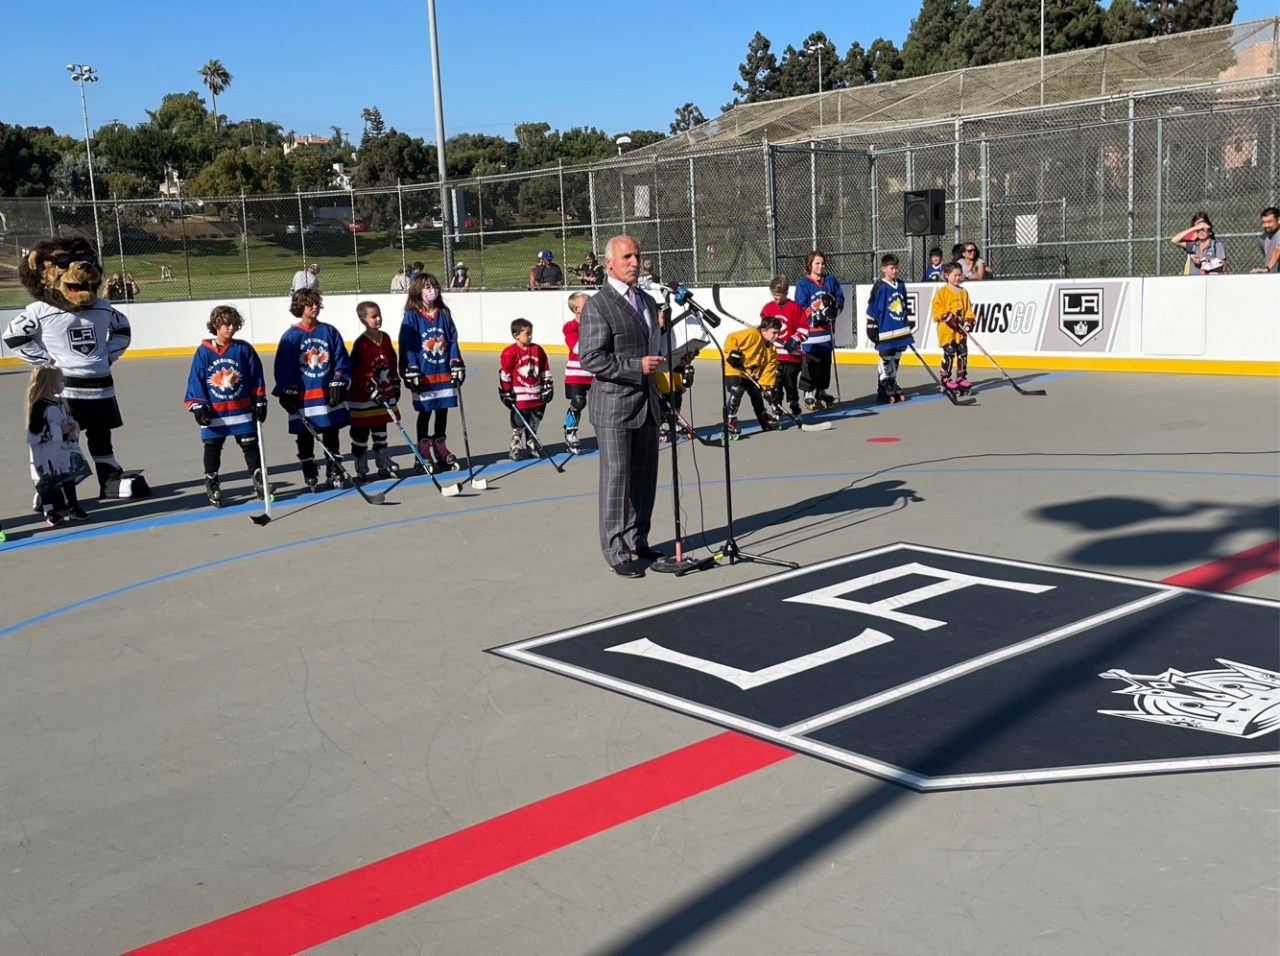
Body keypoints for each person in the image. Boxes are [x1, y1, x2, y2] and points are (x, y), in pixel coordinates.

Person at [4, 236, 146, 499]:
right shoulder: (40, 310)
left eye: (88, 261)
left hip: (102, 386)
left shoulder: (103, 307)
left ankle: (109, 479)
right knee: (64, 438)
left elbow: (122, 329)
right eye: (62, 262)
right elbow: (13, 337)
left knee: (102, 435)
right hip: (65, 388)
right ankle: (53, 485)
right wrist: (47, 362)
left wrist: (109, 355)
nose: (81, 268)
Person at [577, 234, 665, 578]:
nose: (634, 262)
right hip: (614, 407)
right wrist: (635, 367)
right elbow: (591, 357)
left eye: (637, 256)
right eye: (627, 256)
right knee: (617, 479)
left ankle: (637, 539)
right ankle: (615, 549)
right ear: (609, 263)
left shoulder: (646, 300)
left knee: (645, 478)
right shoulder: (599, 305)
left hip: (647, 403)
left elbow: (651, 347)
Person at [183, 305, 268, 507]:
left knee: (249, 445)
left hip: (241, 410)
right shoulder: (203, 352)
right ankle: (212, 481)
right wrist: (199, 405)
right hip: (216, 412)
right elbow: (196, 380)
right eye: (226, 324)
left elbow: (256, 376)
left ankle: (258, 478)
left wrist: (260, 399)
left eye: (234, 324)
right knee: (212, 447)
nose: (231, 328)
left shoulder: (243, 349)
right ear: (216, 325)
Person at [273, 288, 350, 493]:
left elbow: (341, 358)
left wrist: (338, 380)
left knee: (331, 431)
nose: (314, 306)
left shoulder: (329, 331)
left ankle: (334, 467)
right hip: (304, 398)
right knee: (305, 434)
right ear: (300, 307)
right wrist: (287, 389)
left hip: (326, 395)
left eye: (316, 302)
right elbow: (283, 366)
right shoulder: (291, 336)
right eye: (310, 304)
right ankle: (309, 467)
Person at [399, 272, 465, 473]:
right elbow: (406, 344)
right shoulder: (412, 316)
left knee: (442, 409)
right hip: (424, 373)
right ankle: (423, 449)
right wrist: (410, 368)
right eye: (427, 287)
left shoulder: (443, 313)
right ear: (417, 290)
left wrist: (456, 362)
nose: (432, 290)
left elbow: (452, 339)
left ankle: (440, 445)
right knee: (425, 411)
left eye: (434, 286)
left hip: (442, 371)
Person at [26, 365, 89, 525]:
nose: (62, 383)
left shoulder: (60, 402)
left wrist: (72, 426)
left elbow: (67, 419)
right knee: (47, 481)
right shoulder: (39, 406)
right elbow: (34, 433)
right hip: (46, 452)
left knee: (68, 476)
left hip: (63, 450)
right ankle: (49, 511)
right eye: (59, 380)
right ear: (49, 384)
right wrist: (58, 430)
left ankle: (73, 506)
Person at [347, 301, 401, 481]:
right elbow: (356, 371)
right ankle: (360, 463)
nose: (378, 319)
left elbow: (391, 362)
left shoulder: (385, 338)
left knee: (380, 430)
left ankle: (382, 461)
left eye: (379, 315)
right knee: (360, 434)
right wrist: (371, 389)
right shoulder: (361, 344)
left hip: (382, 395)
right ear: (363, 319)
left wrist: (395, 382)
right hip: (362, 398)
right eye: (373, 316)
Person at [793, 250, 842, 411]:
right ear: (810, 265)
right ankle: (808, 392)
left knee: (825, 364)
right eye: (817, 263)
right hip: (811, 333)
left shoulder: (830, 280)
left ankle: (821, 390)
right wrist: (816, 314)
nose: (821, 266)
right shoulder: (803, 284)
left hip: (827, 332)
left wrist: (835, 307)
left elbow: (840, 298)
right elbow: (801, 307)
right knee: (810, 364)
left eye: (822, 263)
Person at [498, 318, 554, 461]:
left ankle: (532, 442)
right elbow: (505, 372)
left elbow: (544, 367)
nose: (530, 336)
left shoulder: (537, 350)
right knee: (518, 423)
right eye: (527, 334)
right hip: (520, 395)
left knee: (535, 420)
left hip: (536, 393)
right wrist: (506, 390)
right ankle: (516, 445)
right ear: (516, 335)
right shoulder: (509, 352)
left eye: (531, 333)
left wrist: (547, 384)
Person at [865, 253, 915, 404]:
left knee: (897, 355)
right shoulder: (880, 287)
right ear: (883, 269)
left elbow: (904, 305)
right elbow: (872, 307)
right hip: (886, 329)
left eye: (896, 268)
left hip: (900, 328)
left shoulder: (900, 284)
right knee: (886, 355)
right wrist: (872, 324)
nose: (895, 271)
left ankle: (892, 380)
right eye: (892, 268)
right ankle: (883, 385)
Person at [723, 315, 781, 438]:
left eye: (778, 333)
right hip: (734, 367)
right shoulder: (752, 334)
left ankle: (763, 417)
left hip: (748, 373)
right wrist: (732, 353)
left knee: (756, 392)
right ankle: (729, 421)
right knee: (737, 389)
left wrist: (767, 390)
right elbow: (731, 338)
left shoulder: (771, 351)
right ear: (763, 330)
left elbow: (767, 374)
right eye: (774, 333)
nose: (777, 336)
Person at [759, 276, 806, 418]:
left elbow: (804, 328)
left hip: (792, 356)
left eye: (779, 296)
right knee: (775, 383)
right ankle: (777, 406)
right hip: (774, 355)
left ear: (786, 293)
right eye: (774, 295)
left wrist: (795, 338)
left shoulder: (795, 307)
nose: (776, 299)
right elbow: (764, 329)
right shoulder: (768, 308)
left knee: (790, 382)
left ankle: (794, 403)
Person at [931, 262, 975, 396]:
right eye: (954, 275)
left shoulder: (963, 292)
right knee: (949, 353)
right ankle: (945, 378)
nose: (957, 278)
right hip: (947, 331)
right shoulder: (942, 292)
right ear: (946, 275)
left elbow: (968, 310)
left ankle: (961, 377)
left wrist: (969, 321)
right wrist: (948, 317)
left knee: (962, 353)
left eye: (959, 275)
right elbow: (937, 310)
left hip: (960, 331)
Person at [562, 291, 593, 454]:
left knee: (602, 404)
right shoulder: (570, 327)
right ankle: (570, 430)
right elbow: (577, 348)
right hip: (576, 373)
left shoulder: (598, 324)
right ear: (576, 309)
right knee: (578, 402)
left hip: (595, 373)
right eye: (588, 305)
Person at [1253, 207, 1279, 274]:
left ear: (1279, 220)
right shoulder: (1265, 238)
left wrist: (1267, 268)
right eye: (1263, 222)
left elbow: (1277, 250)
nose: (1266, 225)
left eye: (1269, 222)